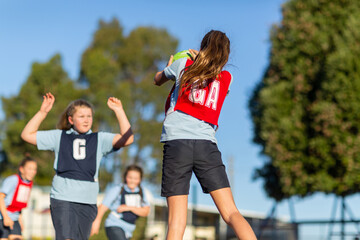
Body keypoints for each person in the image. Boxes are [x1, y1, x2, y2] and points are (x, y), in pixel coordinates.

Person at [154, 30, 257, 240]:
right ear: (225, 56)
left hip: (177, 143)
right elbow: (211, 79)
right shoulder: (227, 78)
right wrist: (205, 61)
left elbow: (157, 80)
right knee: (231, 213)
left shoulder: (182, 66)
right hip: (206, 145)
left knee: (176, 221)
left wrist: (170, 65)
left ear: (203, 47)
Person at [21, 93, 134, 240]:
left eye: (89, 116)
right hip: (63, 197)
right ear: (71, 119)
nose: (86, 120)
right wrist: (43, 112)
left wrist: (119, 110)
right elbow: (27, 134)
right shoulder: (59, 136)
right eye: (81, 116)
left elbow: (128, 138)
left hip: (88, 201)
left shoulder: (99, 139)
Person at [90, 165, 150, 240]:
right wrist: (96, 222)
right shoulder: (118, 189)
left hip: (129, 230)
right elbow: (103, 206)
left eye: (135, 178)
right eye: (130, 177)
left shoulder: (142, 192)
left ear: (140, 179)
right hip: (114, 224)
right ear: (125, 177)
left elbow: (146, 211)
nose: (132, 180)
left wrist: (128, 207)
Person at [0, 155, 37, 240]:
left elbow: (18, 205)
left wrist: (20, 220)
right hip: (2, 217)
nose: (33, 172)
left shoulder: (29, 184)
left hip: (14, 218)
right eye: (30, 169)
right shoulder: (13, 180)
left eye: (34, 169)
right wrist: (5, 217)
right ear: (21, 169)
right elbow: (0, 197)